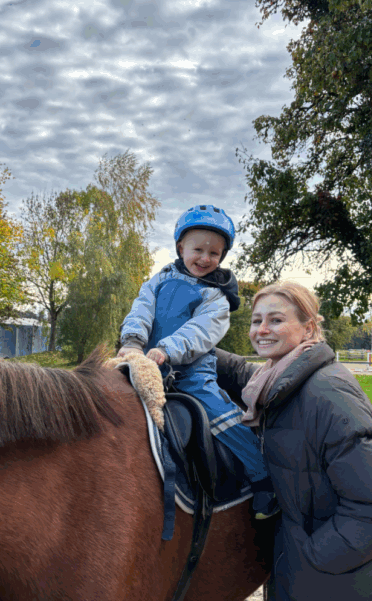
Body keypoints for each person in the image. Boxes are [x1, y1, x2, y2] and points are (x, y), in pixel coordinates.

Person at [223, 281, 372, 601]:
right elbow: (237, 371)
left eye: (276, 320)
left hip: (350, 582)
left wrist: (312, 558)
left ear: (308, 328)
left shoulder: (327, 394)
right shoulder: (274, 381)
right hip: (315, 571)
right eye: (256, 321)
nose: (262, 330)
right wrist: (175, 345)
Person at [117, 204, 275, 518]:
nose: (204, 258)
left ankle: (263, 478)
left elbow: (201, 331)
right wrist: (133, 342)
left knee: (221, 415)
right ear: (180, 248)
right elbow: (142, 308)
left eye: (214, 253)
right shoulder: (159, 280)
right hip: (147, 363)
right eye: (198, 249)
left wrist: (167, 349)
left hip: (189, 369)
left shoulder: (215, 295)